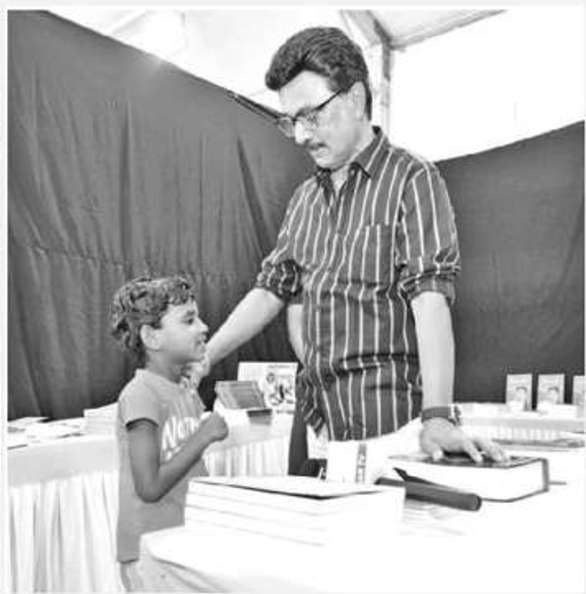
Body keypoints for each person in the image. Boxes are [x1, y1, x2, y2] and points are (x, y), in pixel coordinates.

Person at [205, 26, 505, 466]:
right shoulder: (304, 199)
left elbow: (430, 300)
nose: (300, 136)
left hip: (387, 425)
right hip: (315, 421)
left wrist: (438, 415)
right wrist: (205, 356)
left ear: (357, 98)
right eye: (290, 122)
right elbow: (271, 289)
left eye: (311, 116)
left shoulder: (412, 179)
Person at [110, 275, 228, 591]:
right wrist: (203, 436)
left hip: (180, 544)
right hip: (150, 554)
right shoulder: (141, 394)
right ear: (152, 337)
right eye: (189, 320)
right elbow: (149, 487)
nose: (203, 327)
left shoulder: (184, 391)